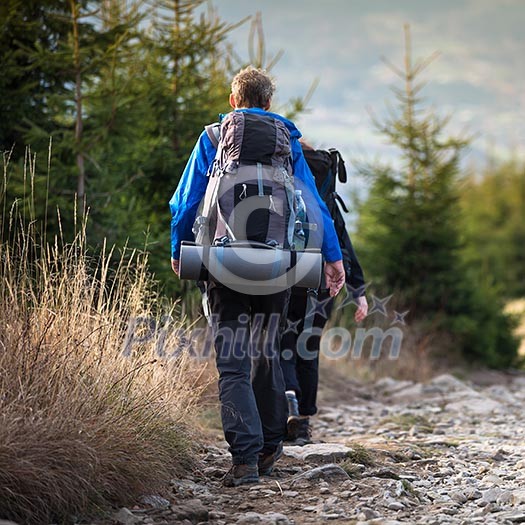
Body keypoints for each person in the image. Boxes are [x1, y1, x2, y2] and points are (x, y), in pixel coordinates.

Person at [169, 66, 345, 487]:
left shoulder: (213, 139)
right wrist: (333, 259)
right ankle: (269, 447)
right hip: (279, 266)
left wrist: (179, 249)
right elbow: (314, 205)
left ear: (233, 100)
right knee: (268, 355)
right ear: (269, 104)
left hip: (223, 264)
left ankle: (244, 461)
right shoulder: (289, 143)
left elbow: (186, 200)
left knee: (232, 365)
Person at [280, 141, 368, 445]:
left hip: (286, 271)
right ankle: (303, 422)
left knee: (283, 340)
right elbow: (342, 239)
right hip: (323, 278)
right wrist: (359, 291)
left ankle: (289, 401)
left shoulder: (279, 171)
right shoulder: (326, 187)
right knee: (309, 344)